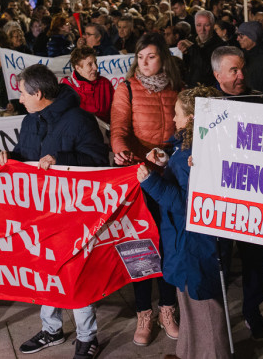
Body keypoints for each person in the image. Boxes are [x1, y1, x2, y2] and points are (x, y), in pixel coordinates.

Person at [0, 64, 105, 359]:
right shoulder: (30, 120)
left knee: (74, 273)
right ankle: (52, 329)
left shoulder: (80, 120)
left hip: (73, 211)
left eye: (22, 93)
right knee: (45, 270)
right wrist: (10, 157)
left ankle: (87, 336)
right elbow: (26, 155)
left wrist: (61, 159)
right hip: (39, 210)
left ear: (39, 94)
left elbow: (97, 162)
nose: (19, 99)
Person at [137, 85, 231, 359]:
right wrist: (167, 163)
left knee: (204, 309)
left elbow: (188, 204)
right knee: (190, 305)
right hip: (186, 241)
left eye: (177, 113)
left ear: (191, 118)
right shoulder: (191, 145)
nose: (173, 118)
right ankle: (189, 353)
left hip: (195, 244)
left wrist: (151, 181)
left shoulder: (198, 152)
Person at [109, 33, 184, 345]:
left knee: (169, 243)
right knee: (141, 245)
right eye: (140, 57)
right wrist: (121, 150)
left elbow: (186, 127)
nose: (144, 63)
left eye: (151, 57)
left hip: (171, 175)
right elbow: (119, 127)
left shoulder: (177, 86)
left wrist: (177, 153)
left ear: (163, 58)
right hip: (140, 175)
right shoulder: (126, 88)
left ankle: (168, 308)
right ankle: (144, 311)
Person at [208, 45, 263, 341]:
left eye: (242, 69)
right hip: (219, 196)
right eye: (233, 70)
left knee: (254, 261)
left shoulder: (260, 101)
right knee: (218, 259)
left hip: (252, 196)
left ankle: (252, 310)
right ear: (217, 74)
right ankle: (216, 316)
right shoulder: (205, 105)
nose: (241, 75)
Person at [61, 46, 113, 122]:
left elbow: (117, 111)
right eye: (90, 64)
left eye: (95, 62)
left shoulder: (105, 84)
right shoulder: (67, 89)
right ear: (78, 68)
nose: (95, 67)